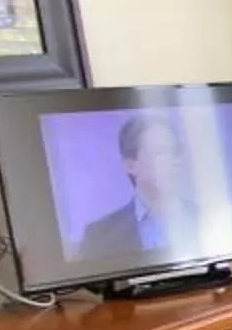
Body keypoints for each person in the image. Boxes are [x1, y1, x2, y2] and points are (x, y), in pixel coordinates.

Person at [70, 111, 197, 267]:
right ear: (130, 165)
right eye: (160, 152)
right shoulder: (99, 236)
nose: (173, 161)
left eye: (175, 152)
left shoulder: (206, 219)